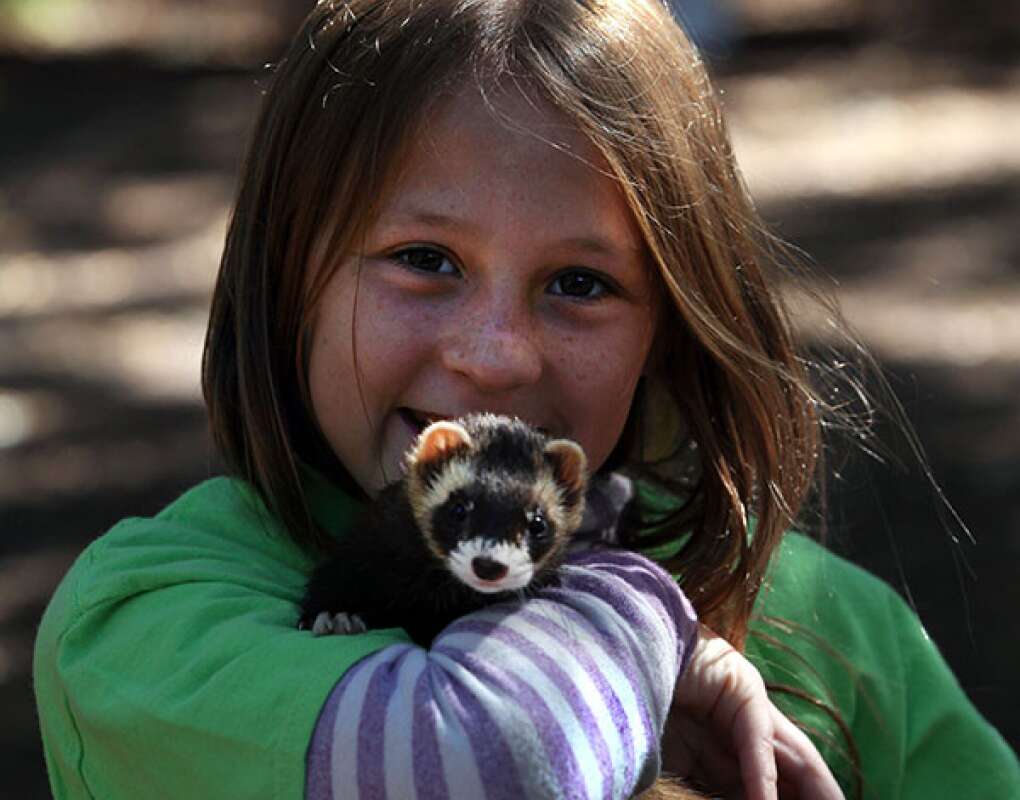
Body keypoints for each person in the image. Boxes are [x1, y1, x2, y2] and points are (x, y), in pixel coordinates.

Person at [32, 1, 1018, 799]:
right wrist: (648, 614)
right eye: (424, 261)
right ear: (291, 282)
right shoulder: (143, 620)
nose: (497, 356)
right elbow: (486, 760)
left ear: (667, 327)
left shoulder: (834, 627)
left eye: (581, 283)